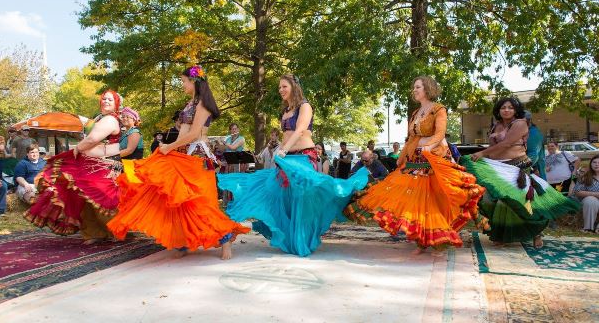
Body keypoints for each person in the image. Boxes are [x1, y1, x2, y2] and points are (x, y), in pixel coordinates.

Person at [107, 65, 249, 260]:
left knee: (200, 203)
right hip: (182, 154)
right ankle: (183, 241)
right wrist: (169, 147)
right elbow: (184, 131)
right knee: (176, 198)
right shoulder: (190, 103)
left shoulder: (202, 104)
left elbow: (192, 134)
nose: (182, 84)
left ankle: (225, 239)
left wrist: (170, 147)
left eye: (183, 81)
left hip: (197, 156)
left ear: (194, 81)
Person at [217, 74, 369, 257]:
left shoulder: (304, 106)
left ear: (293, 87)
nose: (281, 90)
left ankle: (303, 239)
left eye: (284, 86)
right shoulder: (286, 110)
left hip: (304, 157)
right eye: (279, 87)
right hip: (287, 158)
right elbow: (286, 135)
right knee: (273, 192)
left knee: (301, 198)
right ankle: (287, 237)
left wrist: (284, 149)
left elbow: (300, 130)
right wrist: (280, 151)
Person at [345, 76, 484, 254]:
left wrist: (429, 146)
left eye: (418, 87)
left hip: (434, 159)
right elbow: (411, 139)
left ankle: (437, 240)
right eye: (414, 87)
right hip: (415, 160)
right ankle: (421, 240)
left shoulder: (438, 109)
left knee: (433, 202)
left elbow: (440, 133)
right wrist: (401, 157)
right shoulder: (415, 113)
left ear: (428, 88)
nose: (415, 90)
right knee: (414, 200)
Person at [464, 97, 580, 248]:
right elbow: (495, 147)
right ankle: (502, 234)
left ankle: (536, 233)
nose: (506, 110)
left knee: (522, 203)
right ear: (498, 110)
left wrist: (482, 154)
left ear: (516, 110)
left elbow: (507, 144)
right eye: (503, 107)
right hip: (498, 168)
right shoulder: (496, 126)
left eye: (510, 108)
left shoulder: (520, 123)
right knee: (496, 201)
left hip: (518, 168)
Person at [25, 90, 123, 244]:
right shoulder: (99, 118)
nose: (105, 101)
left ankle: (117, 230)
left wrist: (77, 149)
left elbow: (92, 139)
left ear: (116, 103)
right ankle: (94, 232)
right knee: (81, 195)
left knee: (99, 197)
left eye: (110, 99)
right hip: (92, 163)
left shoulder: (111, 119)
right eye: (103, 99)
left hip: (106, 165)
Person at [572, 155, 599, 233]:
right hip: (590, 202)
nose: (597, 164)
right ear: (591, 164)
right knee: (590, 200)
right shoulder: (585, 177)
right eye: (594, 162)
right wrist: (596, 194)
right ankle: (588, 228)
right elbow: (577, 191)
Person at [525, 111, 546, 180]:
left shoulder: (533, 133)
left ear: (529, 120)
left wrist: (519, 170)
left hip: (536, 174)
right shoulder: (526, 131)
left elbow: (533, 155)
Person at [0, 137, 6, 216]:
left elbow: (2, 148)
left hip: (0, 161)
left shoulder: (0, 138)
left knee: (3, 185)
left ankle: (0, 211)